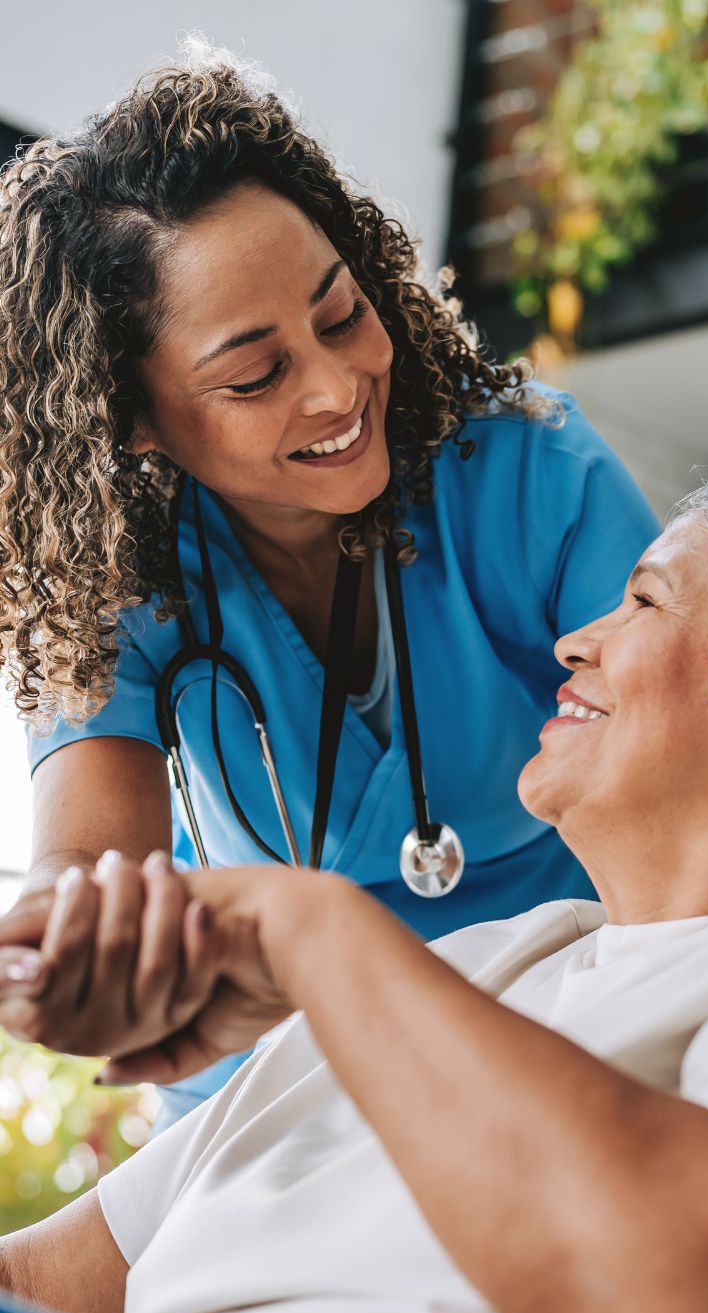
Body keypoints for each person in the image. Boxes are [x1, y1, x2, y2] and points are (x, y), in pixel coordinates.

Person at [3, 458, 708, 1313]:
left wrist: (311, 931)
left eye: (644, 601)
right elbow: (39, 1294)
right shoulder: (481, 971)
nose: (575, 640)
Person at [0, 44, 658, 1122]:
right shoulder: (122, 568)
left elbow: (694, 770)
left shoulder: (536, 474)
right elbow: (83, 860)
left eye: (342, 311)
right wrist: (67, 951)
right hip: (272, 1071)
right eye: (255, 374)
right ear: (131, 417)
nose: (338, 384)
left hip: (557, 1019)